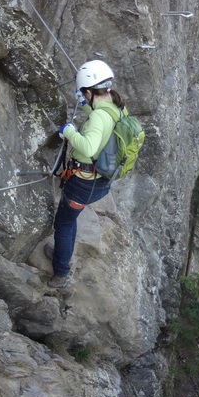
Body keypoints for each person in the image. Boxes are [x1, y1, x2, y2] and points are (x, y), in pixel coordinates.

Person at [45, 60, 126, 288]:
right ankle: (63, 254)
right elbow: (100, 119)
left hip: (82, 183)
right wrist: (85, 105)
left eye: (83, 93)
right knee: (70, 221)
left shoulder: (99, 117)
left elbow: (88, 147)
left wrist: (69, 132)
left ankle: (61, 273)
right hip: (100, 181)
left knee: (63, 224)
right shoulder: (115, 106)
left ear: (90, 91)